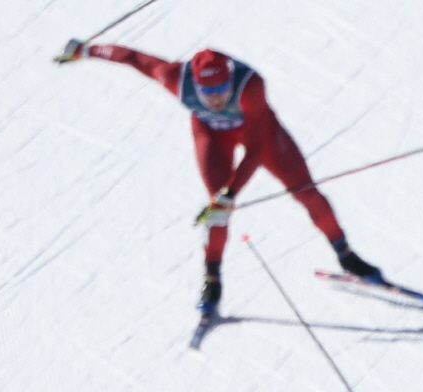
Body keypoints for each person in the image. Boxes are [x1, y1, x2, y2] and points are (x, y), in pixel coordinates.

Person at [56, 41, 384, 311]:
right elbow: (130, 57)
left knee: (306, 192)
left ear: (230, 78)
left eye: (222, 88)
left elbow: (255, 150)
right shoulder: (173, 76)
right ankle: (212, 279)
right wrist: (84, 50)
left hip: (259, 133)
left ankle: (346, 254)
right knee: (217, 213)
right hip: (212, 136)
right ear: (194, 83)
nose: (216, 97)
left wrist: (232, 192)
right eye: (207, 90)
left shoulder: (250, 84)